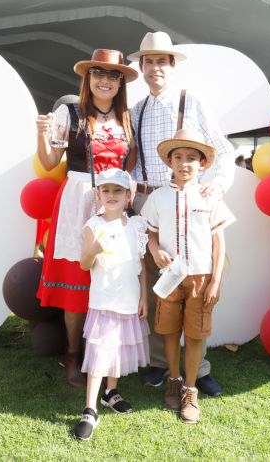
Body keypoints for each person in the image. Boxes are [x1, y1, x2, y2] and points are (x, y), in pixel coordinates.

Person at [127, 31, 236, 396]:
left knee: (198, 283)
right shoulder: (137, 110)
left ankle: (198, 369)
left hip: (190, 201)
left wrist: (215, 186)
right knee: (161, 288)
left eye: (162, 61)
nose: (155, 67)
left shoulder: (192, 101)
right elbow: (134, 162)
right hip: (151, 202)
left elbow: (222, 150)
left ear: (172, 66)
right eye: (149, 61)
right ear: (141, 67)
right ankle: (162, 365)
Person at [35, 49, 139, 387]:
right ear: (88, 78)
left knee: (110, 279)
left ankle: (106, 354)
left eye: (112, 75)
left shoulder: (128, 119)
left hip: (112, 204)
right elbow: (50, 162)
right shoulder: (70, 111)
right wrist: (41, 133)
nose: (105, 80)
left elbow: (130, 162)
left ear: (120, 82)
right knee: (77, 285)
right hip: (79, 200)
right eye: (98, 73)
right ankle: (73, 354)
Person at [141, 129, 236, 423]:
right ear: (169, 161)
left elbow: (219, 242)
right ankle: (173, 379)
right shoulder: (158, 198)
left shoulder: (209, 197)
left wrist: (216, 281)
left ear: (203, 164)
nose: (184, 164)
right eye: (178, 157)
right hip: (169, 277)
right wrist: (155, 251)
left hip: (200, 277)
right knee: (169, 330)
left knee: (195, 334)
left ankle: (190, 389)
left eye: (191, 158)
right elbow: (150, 235)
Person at [73, 168, 150, 441]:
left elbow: (140, 267)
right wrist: (93, 250)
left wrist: (143, 297)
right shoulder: (94, 226)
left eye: (118, 190)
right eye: (106, 190)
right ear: (99, 195)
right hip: (104, 300)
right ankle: (90, 408)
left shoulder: (137, 225)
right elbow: (84, 263)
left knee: (118, 349)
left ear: (128, 196)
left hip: (128, 299)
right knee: (100, 353)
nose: (112, 195)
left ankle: (111, 392)